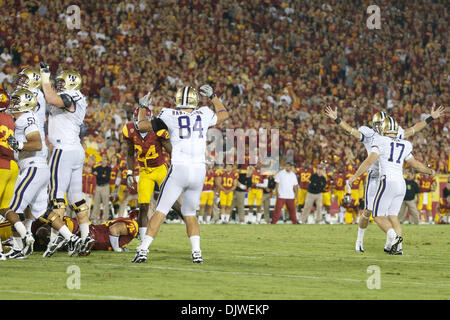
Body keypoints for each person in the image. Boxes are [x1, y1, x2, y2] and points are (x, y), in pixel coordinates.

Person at [325, 105, 445, 253]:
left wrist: (430, 118)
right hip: (376, 176)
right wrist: (337, 119)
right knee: (369, 211)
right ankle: (361, 240)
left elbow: (413, 129)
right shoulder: (371, 134)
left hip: (385, 178)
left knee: (384, 214)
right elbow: (352, 131)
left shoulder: (389, 137)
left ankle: (393, 242)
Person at [132, 84, 228, 263]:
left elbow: (141, 126)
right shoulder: (205, 112)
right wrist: (214, 96)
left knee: (160, 210)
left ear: (178, 100)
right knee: (190, 212)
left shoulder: (169, 114)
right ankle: (197, 252)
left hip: (179, 168)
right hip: (199, 170)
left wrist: (143, 108)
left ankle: (143, 249)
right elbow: (224, 114)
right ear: (196, 100)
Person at [348, 117, 435, 255]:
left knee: (377, 215)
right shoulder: (405, 143)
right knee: (393, 216)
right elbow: (416, 165)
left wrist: (355, 176)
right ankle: (397, 249)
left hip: (387, 181)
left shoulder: (380, 140)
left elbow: (369, 162)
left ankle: (394, 238)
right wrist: (430, 171)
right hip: (401, 184)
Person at [39, 63, 94, 257]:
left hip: (63, 150)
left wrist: (45, 78)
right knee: (76, 198)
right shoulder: (79, 97)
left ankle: (58, 239)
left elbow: (52, 98)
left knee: (56, 197)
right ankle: (86, 237)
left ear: (72, 83)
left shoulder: (71, 97)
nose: (59, 84)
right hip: (75, 150)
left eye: (62, 82)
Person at [3, 89, 48, 259]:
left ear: (26, 102)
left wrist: (19, 145)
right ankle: (70, 237)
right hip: (31, 167)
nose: (12, 103)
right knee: (41, 211)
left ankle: (20, 245)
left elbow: (36, 144)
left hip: (32, 166)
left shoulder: (26, 118)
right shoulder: (20, 118)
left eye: (16, 100)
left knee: (14, 207)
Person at [122, 106, 171, 242]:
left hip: (160, 168)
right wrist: (130, 173)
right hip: (144, 171)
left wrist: (175, 168)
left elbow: (170, 150)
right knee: (143, 205)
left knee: (173, 202)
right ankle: (143, 241)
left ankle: (189, 223)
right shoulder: (129, 130)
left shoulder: (158, 130)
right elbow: (130, 153)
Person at [0, 89, 34, 260]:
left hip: (0, 165)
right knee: (5, 208)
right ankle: (26, 235)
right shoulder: (10, 119)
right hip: (13, 166)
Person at [30, 209, 139, 253]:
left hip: (89, 229)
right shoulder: (133, 225)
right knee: (43, 230)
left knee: (38, 245)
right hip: (92, 232)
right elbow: (114, 229)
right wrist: (117, 249)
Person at [91, 157, 112, 224]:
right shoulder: (98, 167)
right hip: (98, 186)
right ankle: (94, 217)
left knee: (105, 203)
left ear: (107, 161)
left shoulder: (108, 169)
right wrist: (101, 175)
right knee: (96, 202)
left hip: (105, 186)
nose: (103, 160)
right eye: (103, 159)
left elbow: (107, 178)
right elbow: (92, 171)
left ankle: (105, 218)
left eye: (105, 159)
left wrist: (98, 175)